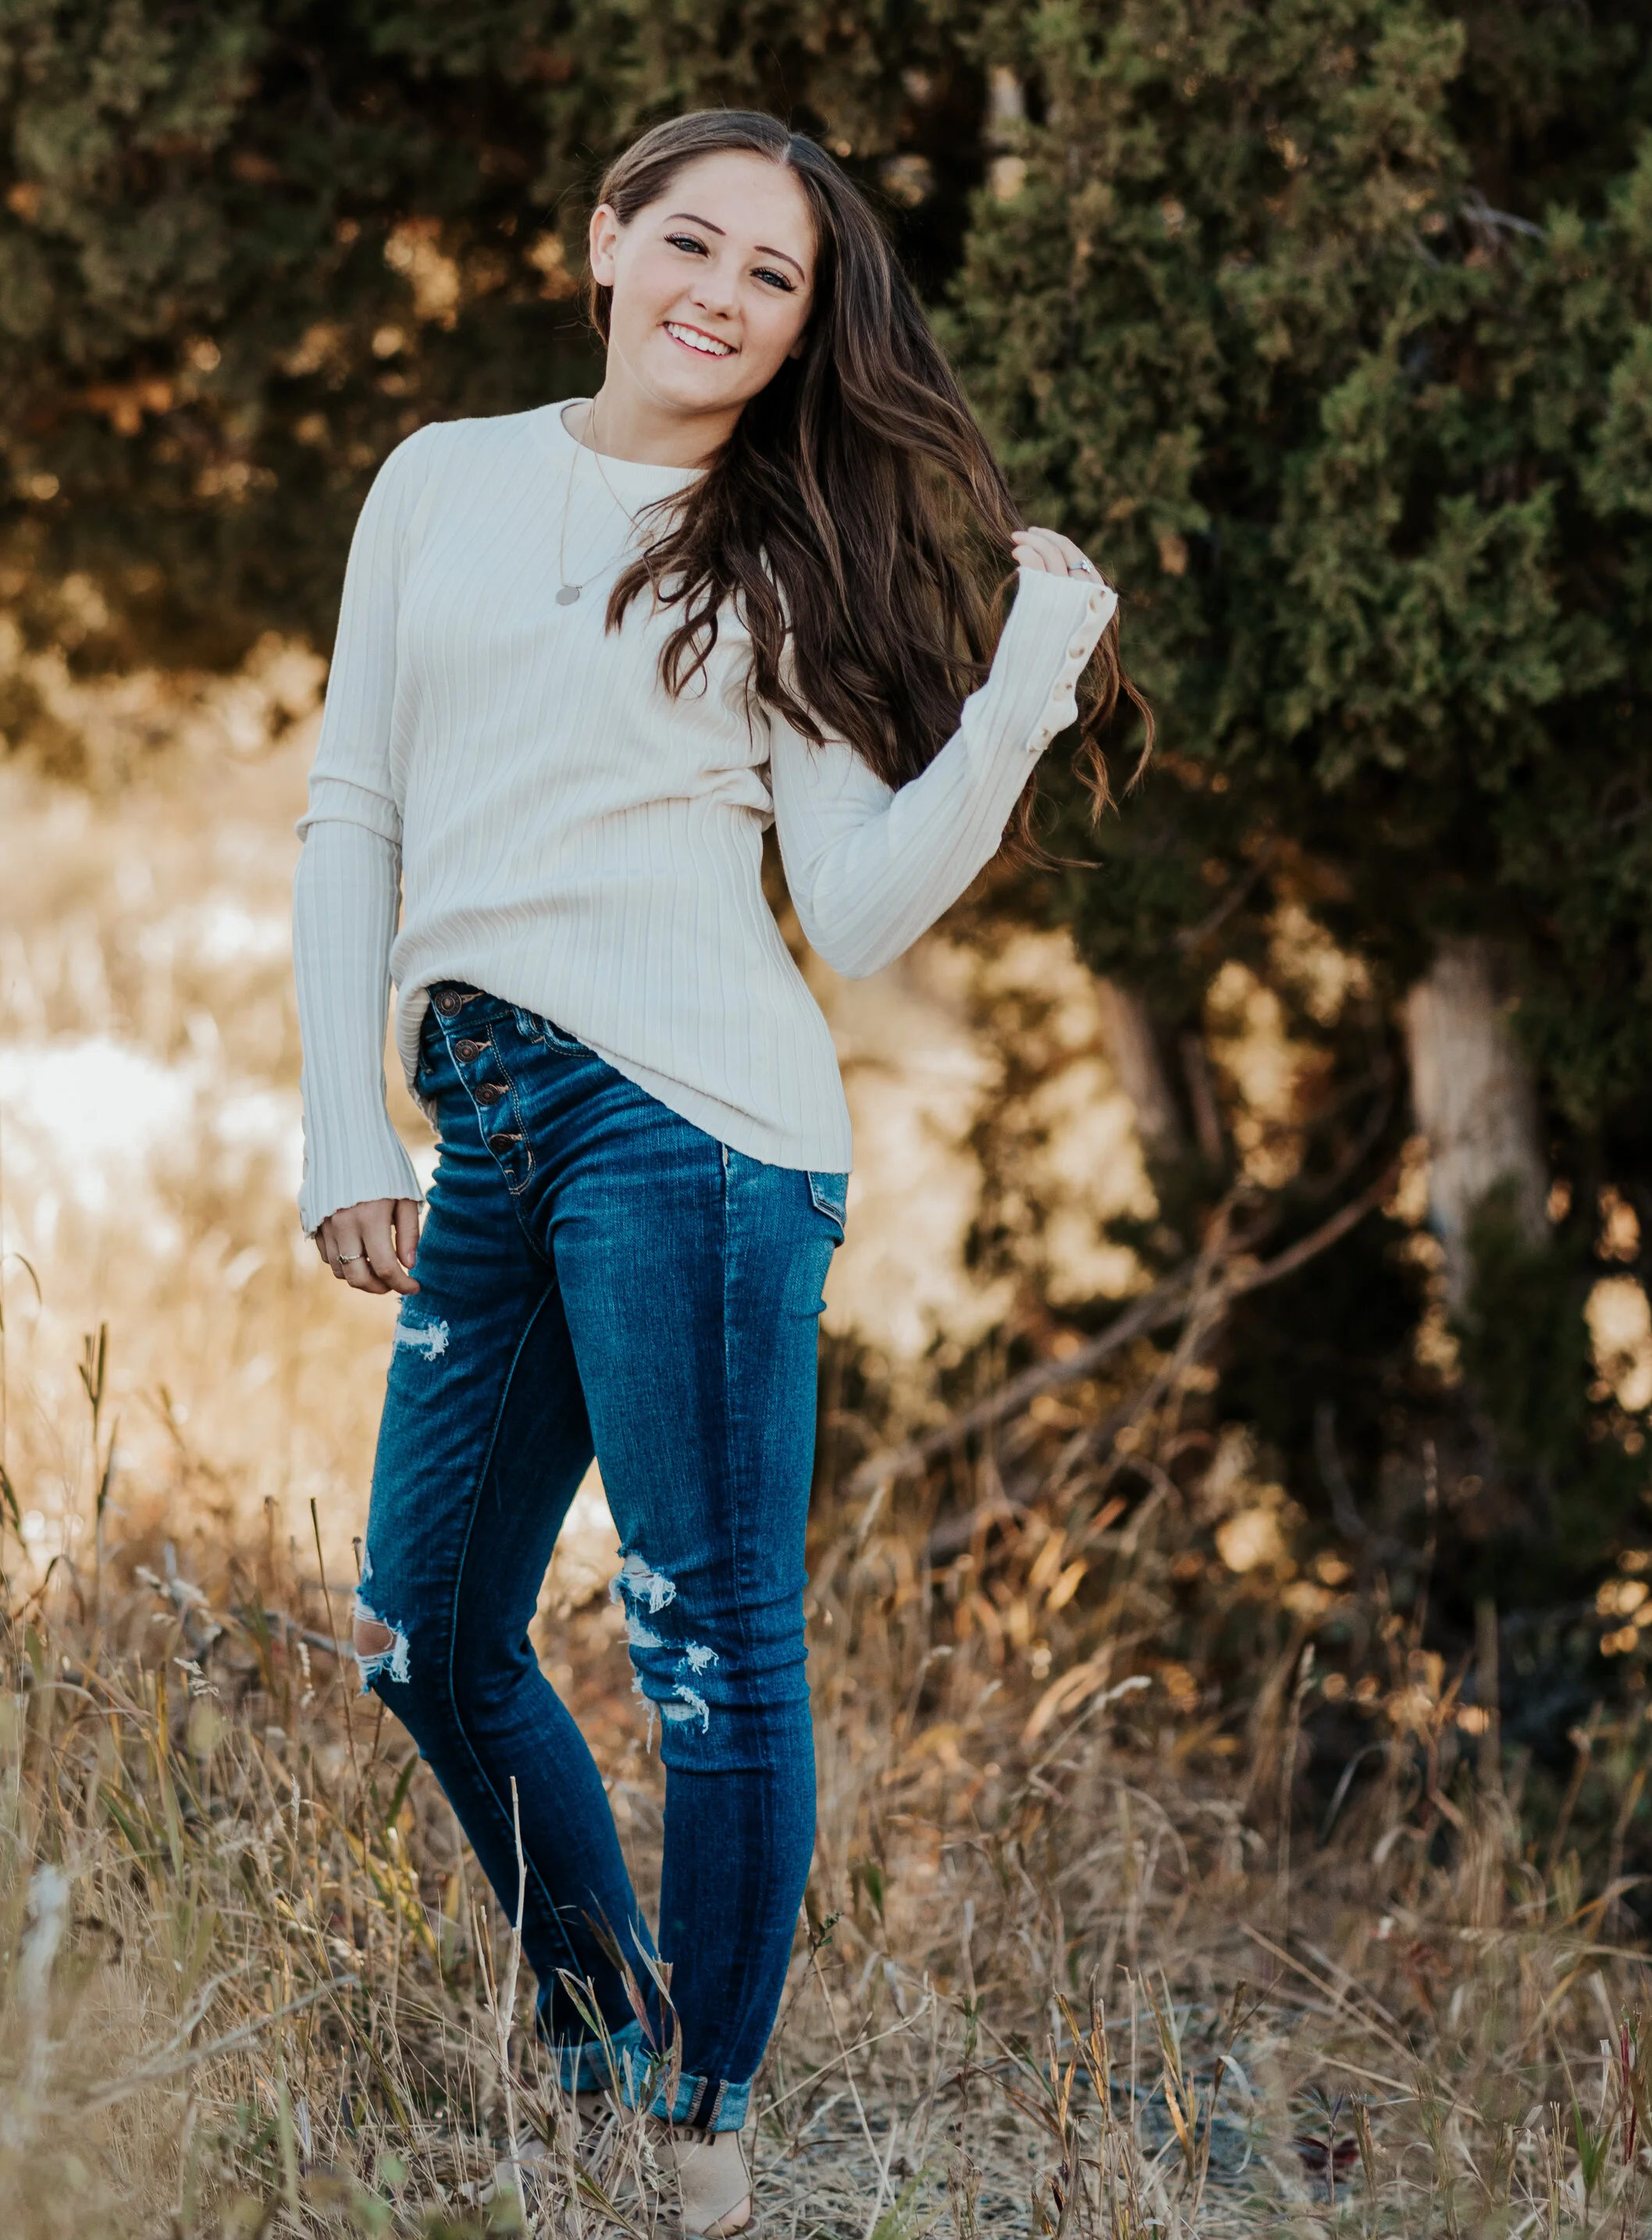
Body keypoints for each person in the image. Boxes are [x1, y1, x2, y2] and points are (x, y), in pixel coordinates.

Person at [291, 108, 1145, 2233]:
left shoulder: (779, 551)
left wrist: (1021, 688)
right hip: (482, 1106)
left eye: (770, 279)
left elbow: (851, 914)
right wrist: (339, 1115)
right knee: (426, 1631)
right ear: (602, 239)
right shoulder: (439, 478)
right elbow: (352, 811)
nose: (720, 294)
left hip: (695, 1125)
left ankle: (700, 2124)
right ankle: (602, 2021)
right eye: (689, 242)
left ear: (796, 329)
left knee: (706, 1637)